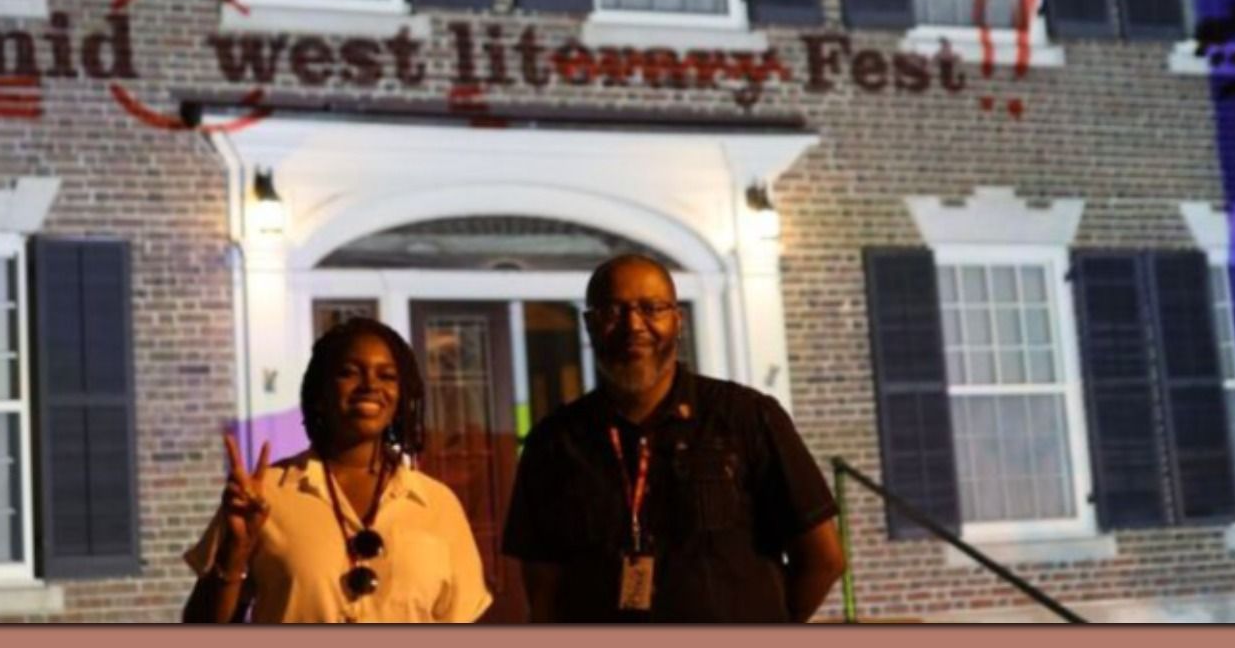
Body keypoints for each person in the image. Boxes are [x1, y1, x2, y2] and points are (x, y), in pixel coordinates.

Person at [503, 253, 847, 622]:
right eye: (614, 311)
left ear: (677, 321)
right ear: (590, 324)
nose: (633, 325)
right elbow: (543, 591)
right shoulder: (553, 443)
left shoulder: (748, 418)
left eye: (651, 308)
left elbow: (823, 559)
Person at [181, 317, 493, 623]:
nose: (370, 385)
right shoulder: (263, 496)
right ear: (319, 394)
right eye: (349, 373)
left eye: (387, 376)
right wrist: (235, 551)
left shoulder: (438, 504)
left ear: (401, 399)